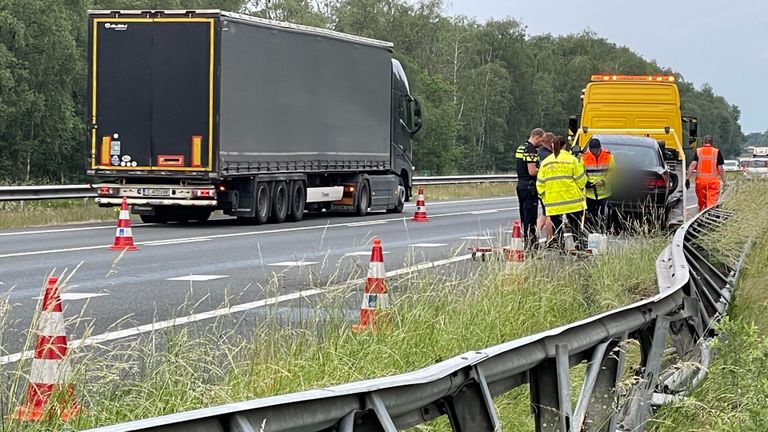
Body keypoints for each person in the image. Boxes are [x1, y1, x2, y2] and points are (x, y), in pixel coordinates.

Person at [537, 136, 588, 251]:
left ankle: (560, 247)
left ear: (553, 146)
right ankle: (580, 247)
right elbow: (581, 180)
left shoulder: (545, 163)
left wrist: (546, 199)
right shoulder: (571, 160)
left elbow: (540, 185)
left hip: (554, 202)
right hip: (572, 201)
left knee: (557, 226)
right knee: (575, 226)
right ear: (565, 146)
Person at [515, 128, 544, 248]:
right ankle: (531, 244)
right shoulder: (531, 150)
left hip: (521, 185)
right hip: (529, 186)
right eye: (541, 140)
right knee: (531, 217)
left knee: (524, 216)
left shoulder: (521, 147)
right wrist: (544, 170)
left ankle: (528, 241)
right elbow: (532, 171)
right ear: (536, 137)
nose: (542, 144)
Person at [581, 138, 615, 231]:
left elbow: (612, 172)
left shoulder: (608, 156)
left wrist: (604, 181)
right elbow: (581, 173)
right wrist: (585, 182)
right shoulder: (584, 157)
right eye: (593, 150)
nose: (595, 152)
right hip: (590, 193)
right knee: (589, 219)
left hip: (605, 193)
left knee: (605, 218)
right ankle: (589, 236)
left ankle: (603, 234)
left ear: (600, 148)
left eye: (596, 150)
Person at [686, 135, 725, 211]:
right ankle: (710, 217)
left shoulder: (698, 151)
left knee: (702, 204)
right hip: (713, 183)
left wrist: (687, 179)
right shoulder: (716, 152)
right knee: (711, 204)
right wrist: (724, 182)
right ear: (712, 143)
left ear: (703, 142)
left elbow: (693, 165)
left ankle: (701, 218)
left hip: (700, 183)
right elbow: (720, 169)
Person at [536, 133, 555, 244]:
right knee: (549, 214)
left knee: (544, 213)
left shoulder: (539, 153)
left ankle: (535, 233)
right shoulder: (548, 156)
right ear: (550, 143)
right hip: (548, 187)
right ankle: (550, 239)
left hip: (540, 186)